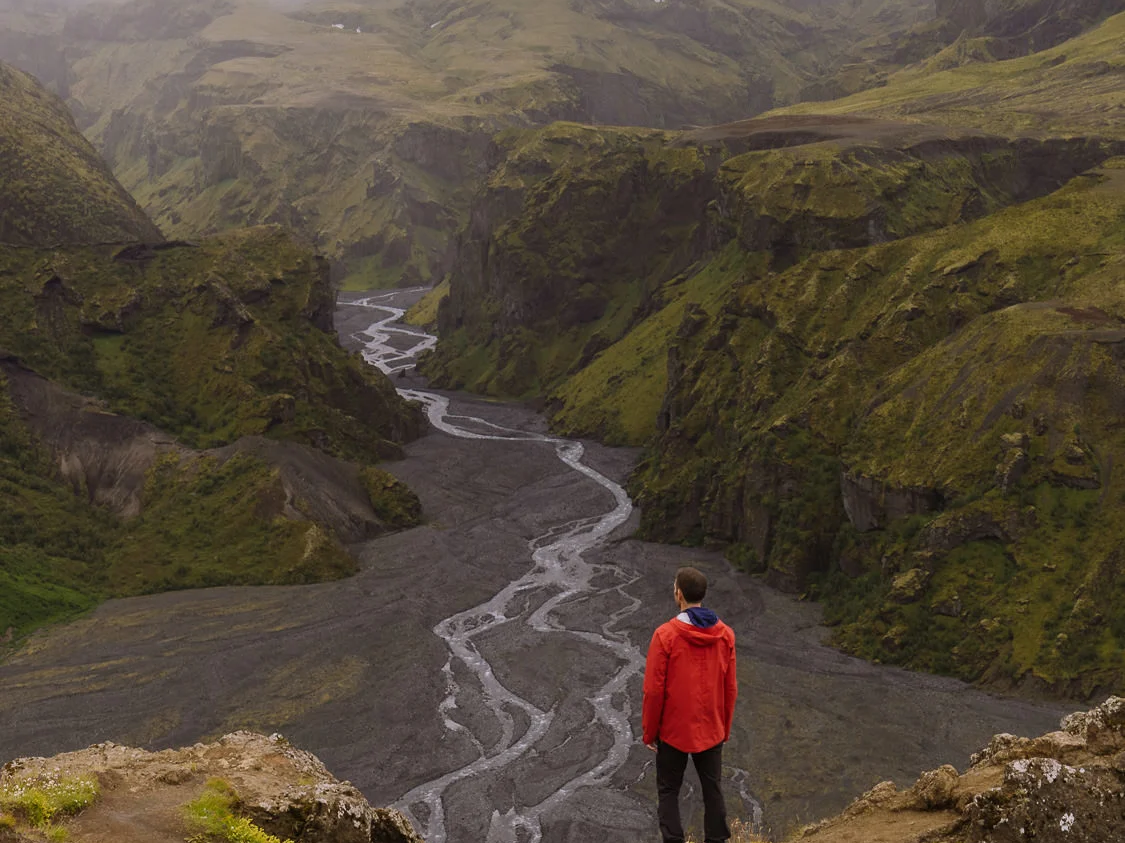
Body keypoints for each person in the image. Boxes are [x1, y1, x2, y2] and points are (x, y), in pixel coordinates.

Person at [642, 566, 738, 843]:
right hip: (712, 727)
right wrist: (724, 727)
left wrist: (650, 732)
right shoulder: (725, 635)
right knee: (712, 789)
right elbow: (730, 688)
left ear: (679, 595)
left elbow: (653, 691)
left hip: (674, 729)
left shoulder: (665, 635)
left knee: (669, 790)